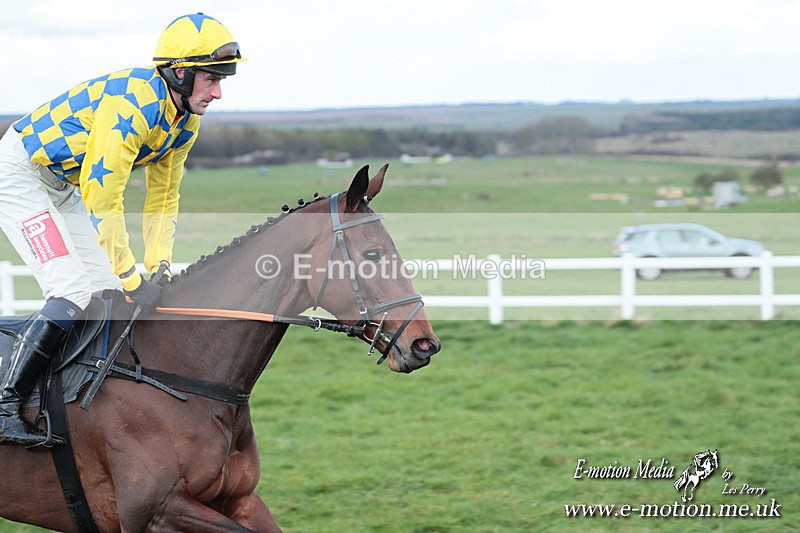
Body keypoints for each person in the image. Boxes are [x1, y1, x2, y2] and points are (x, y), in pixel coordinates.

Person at [0, 13, 243, 446]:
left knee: (107, 290)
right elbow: (103, 199)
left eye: (224, 79)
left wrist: (159, 266)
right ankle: (5, 403)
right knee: (73, 291)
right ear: (181, 73)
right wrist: (134, 277)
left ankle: (75, 397)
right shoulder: (130, 107)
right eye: (212, 79)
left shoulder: (184, 120)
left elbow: (163, 199)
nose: (218, 92)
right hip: (21, 176)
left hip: (64, 186)